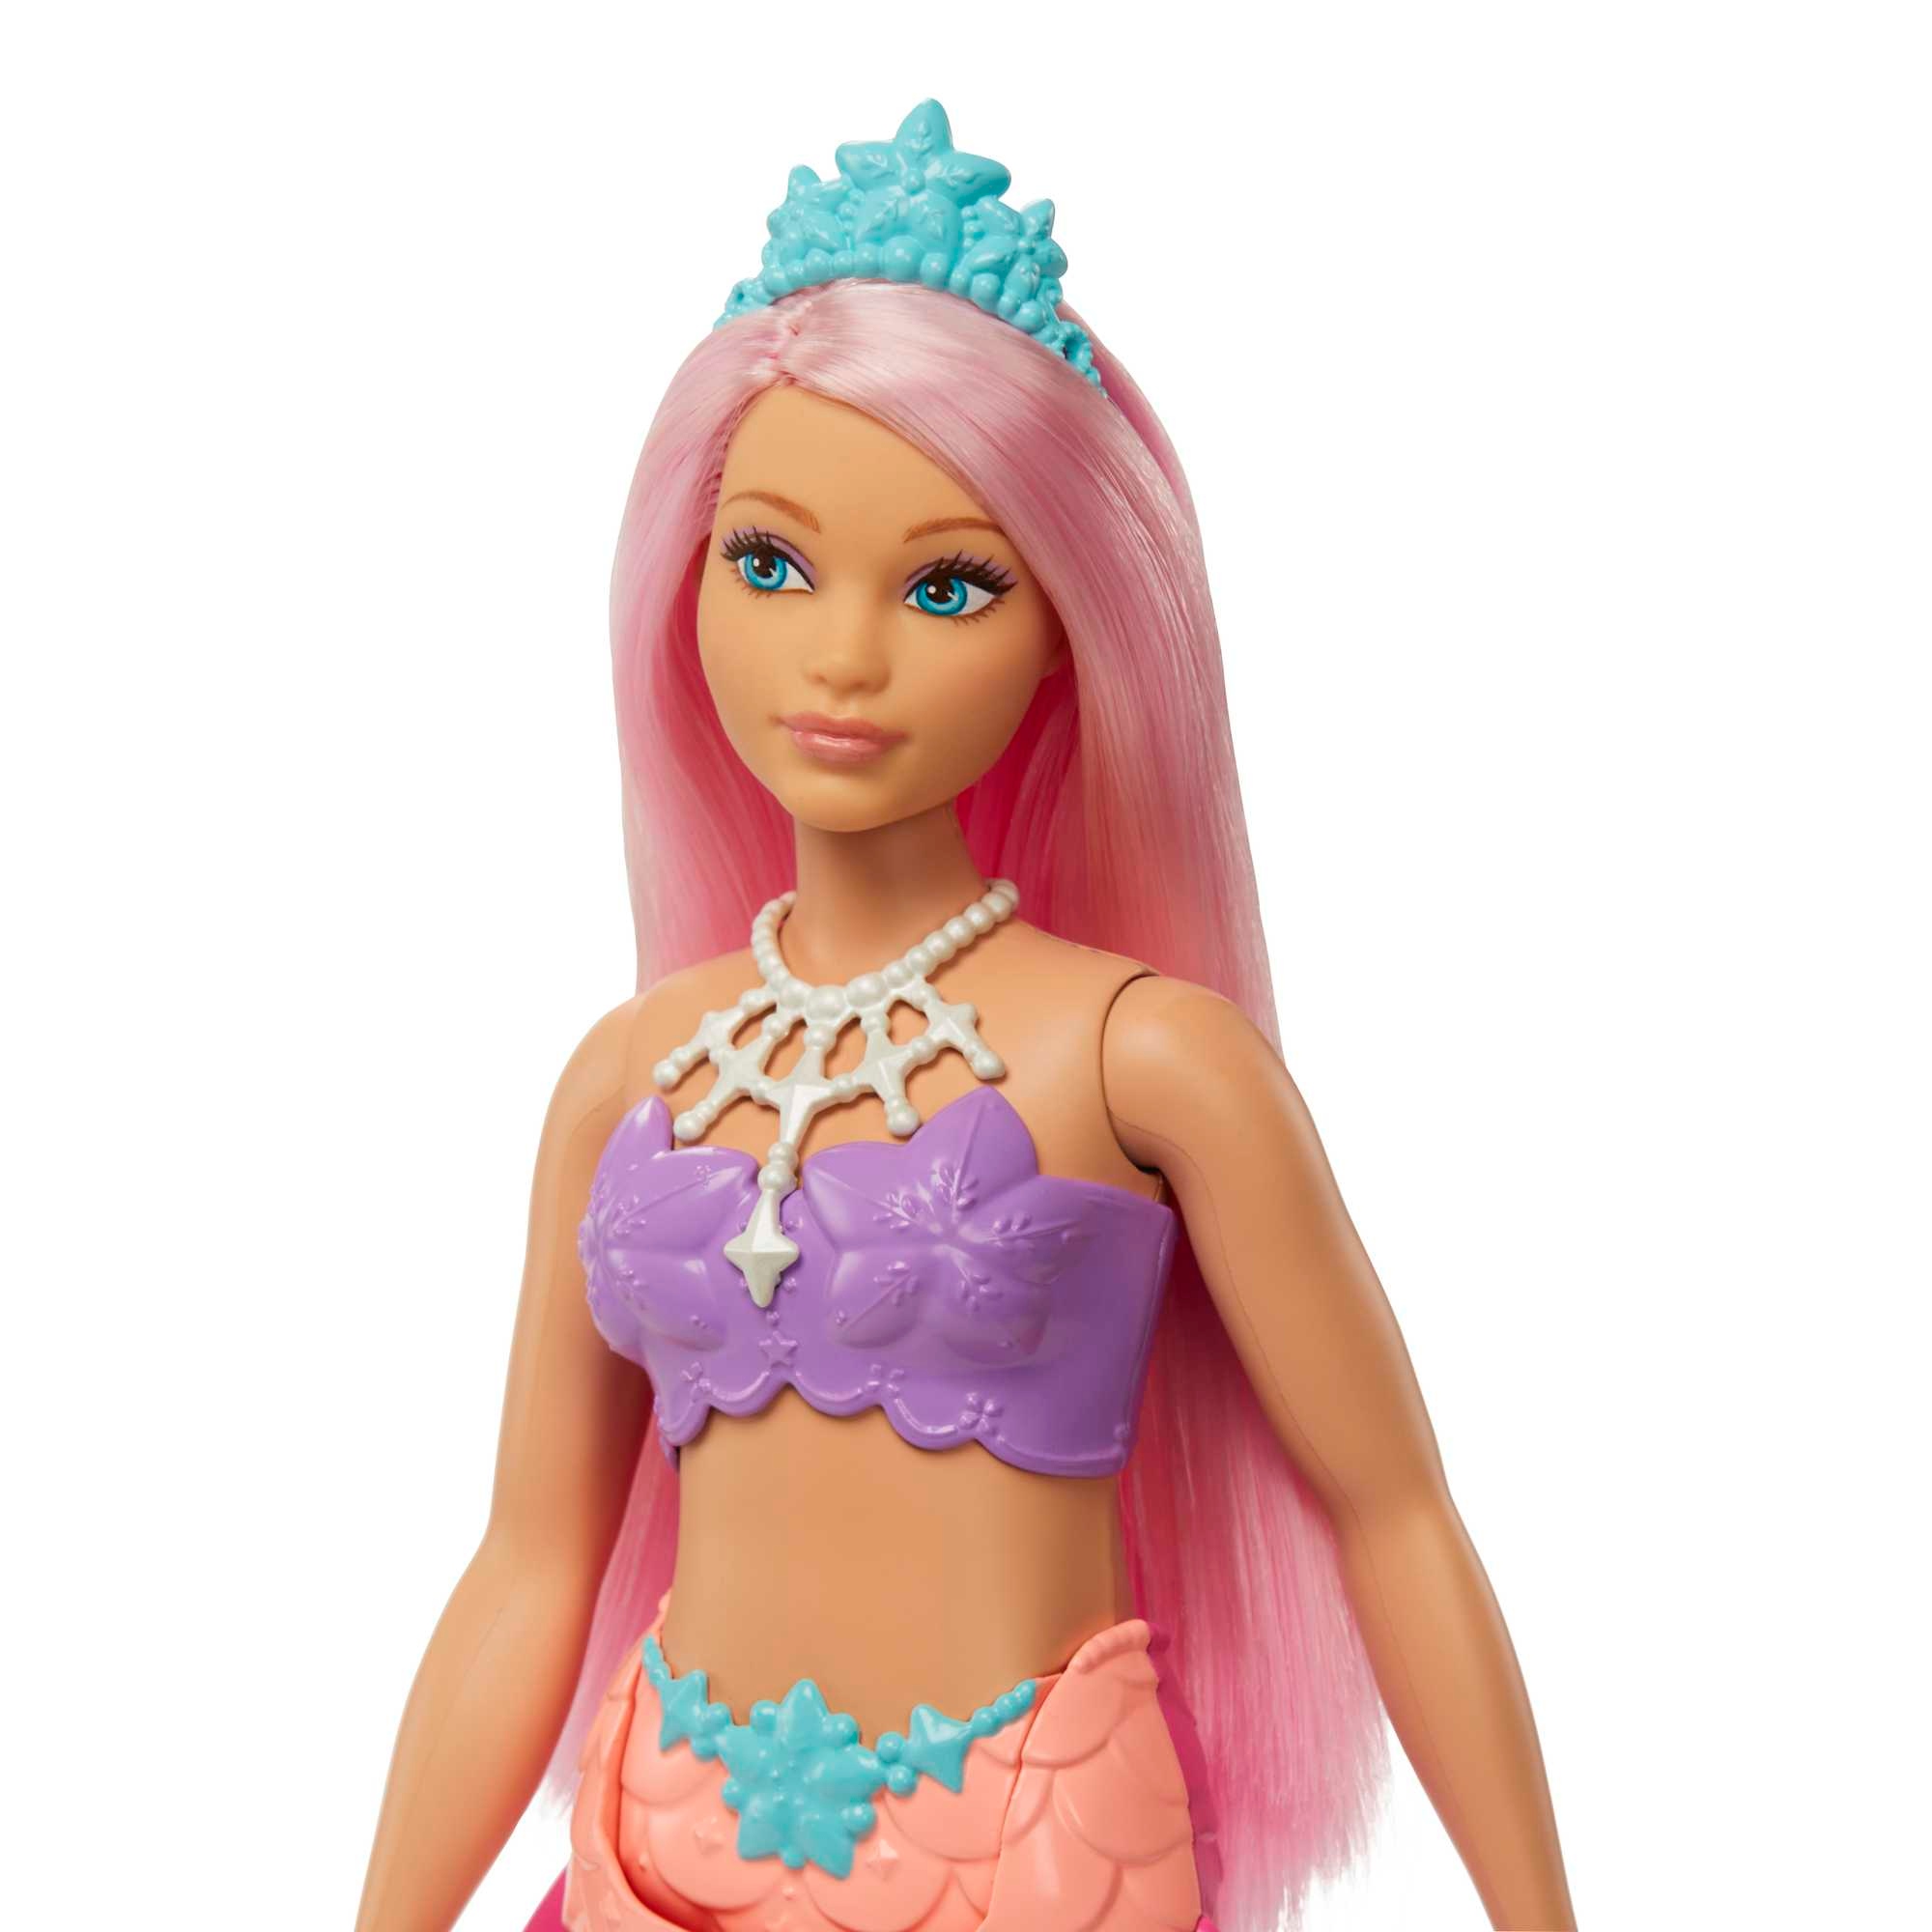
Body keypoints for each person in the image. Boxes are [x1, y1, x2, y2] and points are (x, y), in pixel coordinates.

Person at [354, 99, 1575, 1932]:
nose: (843, 655)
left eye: (948, 585)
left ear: (1072, 627)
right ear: (683, 579)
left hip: (1032, 1853)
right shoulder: (631, 1073)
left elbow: (1395, 1510)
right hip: (659, 1849)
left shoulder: (1145, 1057)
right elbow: (530, 1561)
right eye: (769, 561)